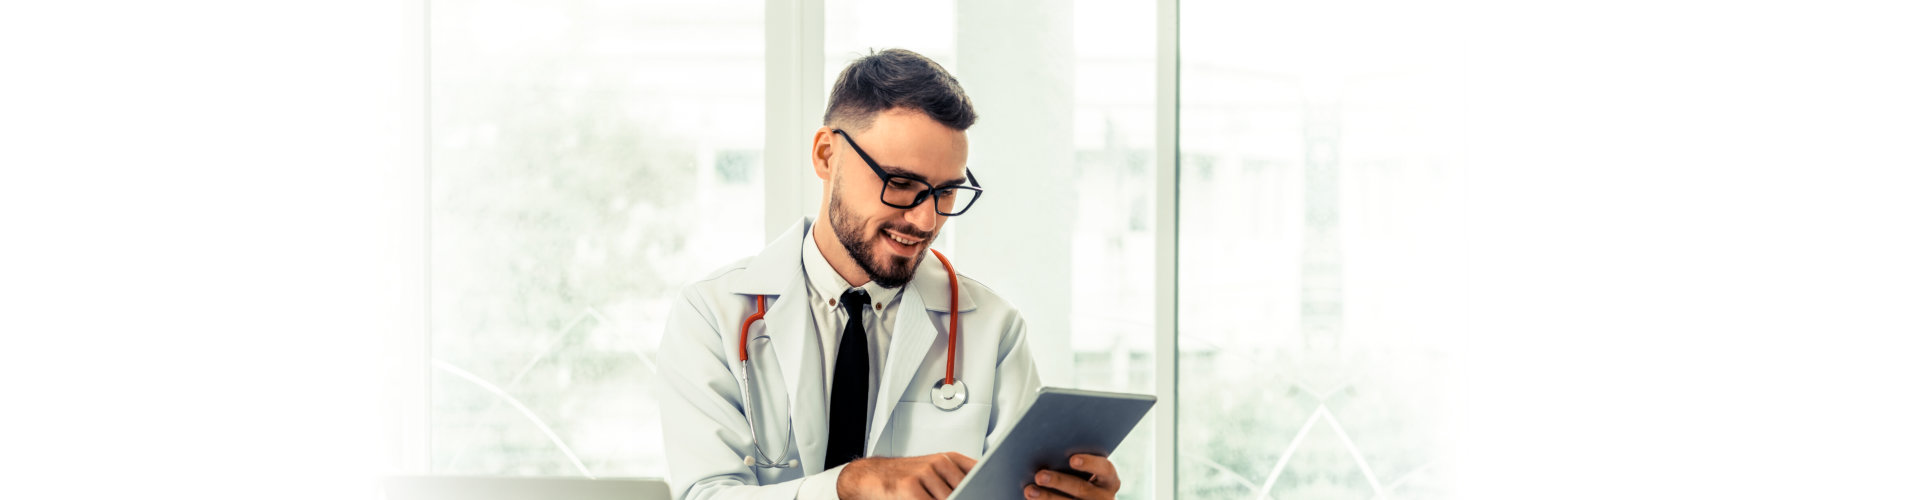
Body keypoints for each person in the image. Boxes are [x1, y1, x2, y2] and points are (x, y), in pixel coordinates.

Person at [655, 49, 1124, 500]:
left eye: (945, 192)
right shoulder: (713, 315)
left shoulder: (993, 329)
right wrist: (850, 484)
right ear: (825, 155)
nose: (925, 221)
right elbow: (707, 493)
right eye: (900, 184)